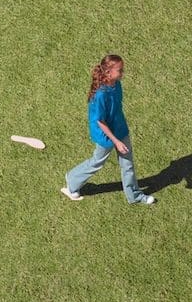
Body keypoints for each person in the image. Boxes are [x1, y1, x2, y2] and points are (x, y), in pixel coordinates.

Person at [61, 54, 156, 204]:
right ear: (108, 72)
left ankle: (134, 196)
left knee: (127, 164)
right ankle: (73, 180)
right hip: (105, 135)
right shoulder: (100, 95)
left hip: (120, 128)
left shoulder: (116, 84)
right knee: (97, 162)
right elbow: (100, 121)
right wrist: (116, 142)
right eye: (120, 70)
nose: (122, 73)